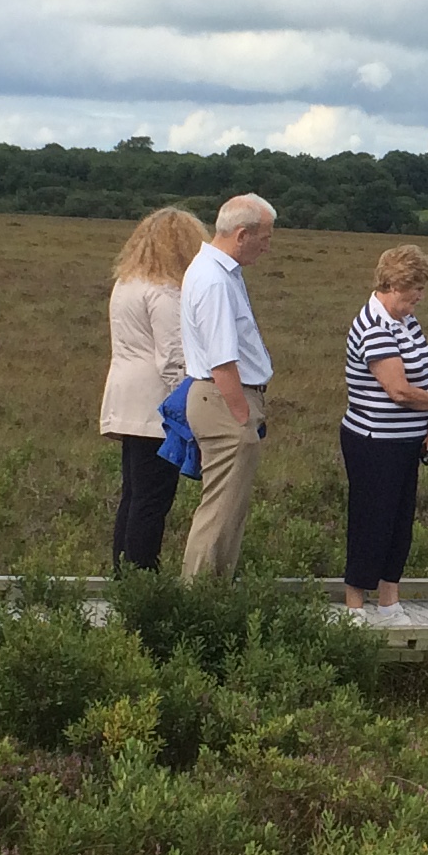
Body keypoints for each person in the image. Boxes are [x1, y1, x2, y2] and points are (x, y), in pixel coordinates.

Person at [342, 244, 428, 617]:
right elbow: (399, 390)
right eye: (414, 289)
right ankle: (355, 606)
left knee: (400, 523)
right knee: (371, 519)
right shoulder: (373, 325)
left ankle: (389, 602)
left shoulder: (407, 321)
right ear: (393, 285)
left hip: (406, 440)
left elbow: (425, 372)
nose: (419, 296)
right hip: (373, 441)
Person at [101, 207, 207, 571]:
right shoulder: (164, 292)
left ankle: (124, 573)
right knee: (152, 498)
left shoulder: (127, 284)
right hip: (155, 405)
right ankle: (143, 574)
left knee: (133, 494)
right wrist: (188, 406)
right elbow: (173, 357)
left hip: (125, 396)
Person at [180, 193, 278, 578]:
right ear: (241, 235)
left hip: (224, 400)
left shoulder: (218, 273)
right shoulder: (214, 280)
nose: (267, 247)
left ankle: (215, 596)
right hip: (224, 401)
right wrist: (242, 419)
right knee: (220, 512)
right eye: (264, 238)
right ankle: (197, 601)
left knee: (230, 510)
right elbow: (222, 361)